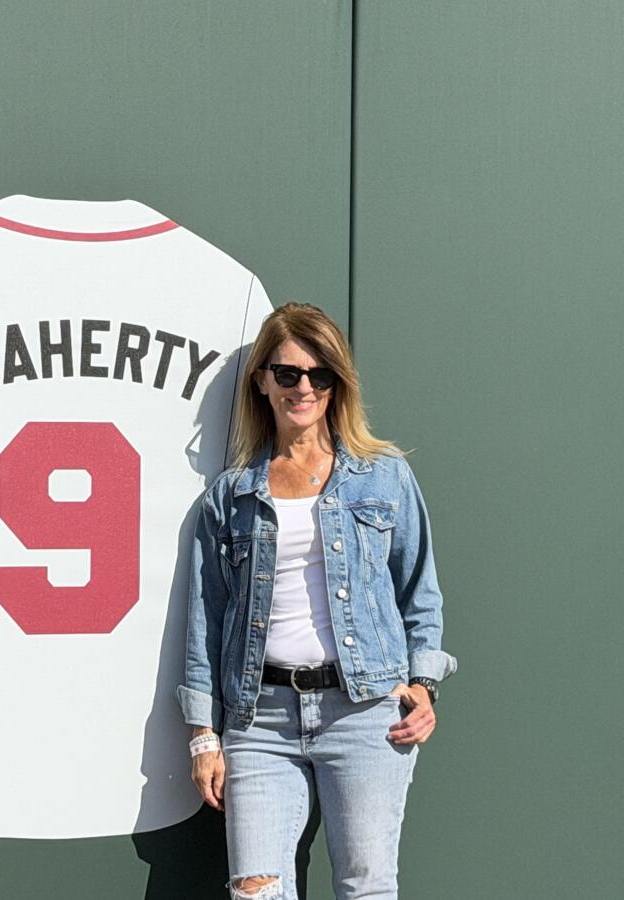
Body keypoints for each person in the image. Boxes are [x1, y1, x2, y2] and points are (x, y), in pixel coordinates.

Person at [179, 303, 456, 899]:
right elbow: (207, 620)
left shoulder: (383, 477)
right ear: (262, 381)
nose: (303, 387)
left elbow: (419, 593)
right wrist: (204, 735)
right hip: (260, 720)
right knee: (255, 889)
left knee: (365, 885)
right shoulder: (230, 497)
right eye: (287, 373)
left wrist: (423, 685)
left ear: (336, 384)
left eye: (319, 374)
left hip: (363, 712)